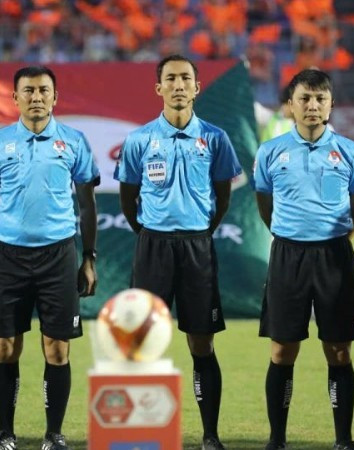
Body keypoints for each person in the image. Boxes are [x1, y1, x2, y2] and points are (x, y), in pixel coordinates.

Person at [114, 54, 242, 450]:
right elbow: (127, 197)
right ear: (159, 88)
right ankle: (142, 433)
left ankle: (209, 435)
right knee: (142, 343)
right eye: (170, 78)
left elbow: (223, 196)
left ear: (197, 87)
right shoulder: (138, 140)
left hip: (197, 248)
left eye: (186, 78)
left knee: (201, 342)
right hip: (152, 245)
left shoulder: (216, 139)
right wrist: (150, 231)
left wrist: (200, 229)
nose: (179, 84)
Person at [0, 65, 99, 450]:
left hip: (58, 255)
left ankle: (53, 435)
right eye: (28, 91)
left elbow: (88, 206)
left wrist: (89, 258)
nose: (36, 97)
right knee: (5, 347)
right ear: (15, 98)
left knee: (57, 349)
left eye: (44, 90)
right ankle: (5, 433)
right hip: (8, 256)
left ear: (55, 97)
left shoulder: (75, 141)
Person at [254, 69, 354, 450]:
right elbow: (264, 205)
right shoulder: (271, 151)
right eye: (304, 98)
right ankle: (277, 439)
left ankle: (343, 439)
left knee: (338, 349)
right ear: (290, 105)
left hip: (334, 257)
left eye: (320, 98)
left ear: (331, 104)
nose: (312, 106)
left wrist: (335, 243)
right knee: (282, 350)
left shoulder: (351, 152)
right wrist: (292, 235)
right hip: (288, 255)